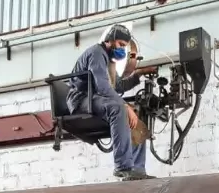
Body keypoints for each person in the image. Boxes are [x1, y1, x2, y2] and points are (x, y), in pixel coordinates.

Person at [67, 24, 158, 180]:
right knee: (119, 108)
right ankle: (123, 167)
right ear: (110, 40)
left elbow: (118, 86)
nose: (122, 49)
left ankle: (137, 170)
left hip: (97, 100)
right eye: (121, 44)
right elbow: (103, 87)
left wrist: (139, 74)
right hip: (81, 99)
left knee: (135, 118)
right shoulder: (96, 53)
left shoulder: (109, 60)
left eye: (124, 46)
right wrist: (125, 106)